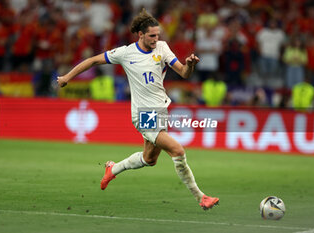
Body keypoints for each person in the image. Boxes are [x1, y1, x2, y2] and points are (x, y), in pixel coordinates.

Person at [57, 9, 219, 210]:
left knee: (150, 159)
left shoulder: (162, 47)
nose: (156, 39)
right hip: (144, 114)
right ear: (140, 35)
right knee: (177, 150)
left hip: (161, 110)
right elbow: (92, 60)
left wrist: (189, 65)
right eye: (152, 35)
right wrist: (66, 78)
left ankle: (112, 169)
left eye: (157, 35)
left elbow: (184, 73)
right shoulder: (125, 53)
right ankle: (201, 197)